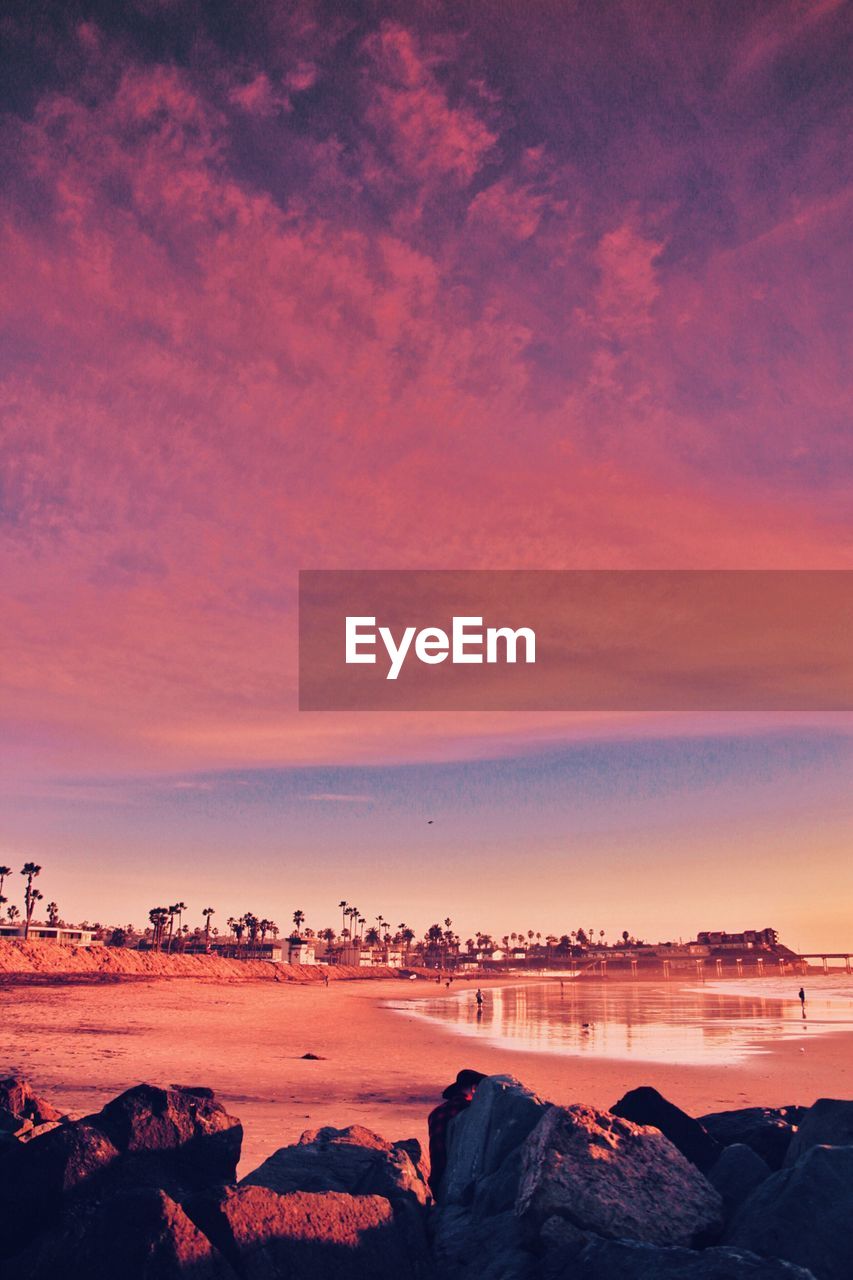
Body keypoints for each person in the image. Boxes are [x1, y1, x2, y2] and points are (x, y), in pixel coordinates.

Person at [427, 1069, 486, 1198]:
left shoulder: (435, 1112)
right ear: (474, 1089)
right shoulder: (469, 1111)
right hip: (457, 1183)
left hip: (437, 1179)